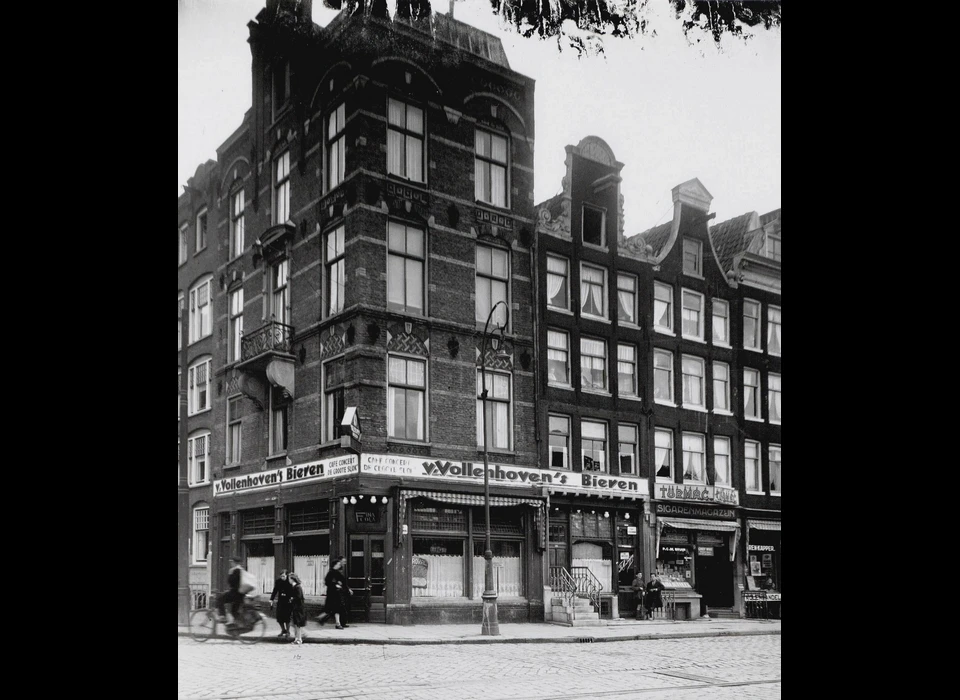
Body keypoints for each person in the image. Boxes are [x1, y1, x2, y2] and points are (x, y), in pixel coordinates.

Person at [316, 556, 351, 629]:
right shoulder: (331, 572)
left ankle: (334, 622)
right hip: (332, 593)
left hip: (336, 594)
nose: (340, 565)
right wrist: (336, 585)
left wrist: (347, 589)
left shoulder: (337, 572)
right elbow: (327, 582)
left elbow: (343, 582)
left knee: (335, 609)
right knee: (333, 609)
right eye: (338, 564)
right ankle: (335, 623)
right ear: (335, 565)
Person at [218, 556, 246, 624]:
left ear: (234, 562)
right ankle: (238, 628)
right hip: (240, 594)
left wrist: (230, 573)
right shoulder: (242, 570)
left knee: (220, 599)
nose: (231, 563)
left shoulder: (235, 570)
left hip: (235, 593)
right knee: (234, 612)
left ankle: (223, 616)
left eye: (232, 562)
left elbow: (230, 581)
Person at [270, 570, 294, 638]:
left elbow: (293, 591)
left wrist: (292, 598)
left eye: (283, 576)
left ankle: (288, 632)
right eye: (281, 576)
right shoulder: (278, 581)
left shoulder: (289, 581)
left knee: (287, 617)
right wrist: (272, 599)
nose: (282, 577)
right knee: (279, 617)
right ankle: (283, 630)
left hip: (288, 601)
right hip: (281, 601)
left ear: (286, 575)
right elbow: (275, 590)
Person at [288, 572, 307, 644]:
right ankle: (297, 638)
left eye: (289, 579)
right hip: (296, 607)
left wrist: (292, 598)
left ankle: (299, 639)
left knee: (298, 624)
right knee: (295, 624)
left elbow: (299, 597)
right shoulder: (294, 587)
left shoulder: (298, 587)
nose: (288, 580)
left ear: (293, 579)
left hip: (299, 608)